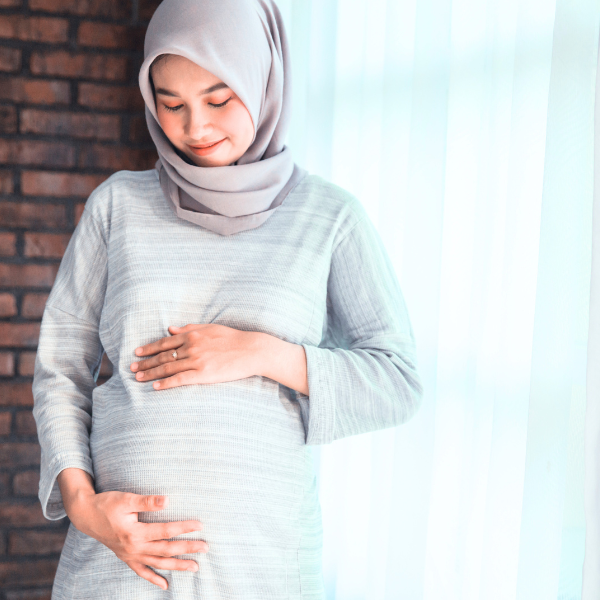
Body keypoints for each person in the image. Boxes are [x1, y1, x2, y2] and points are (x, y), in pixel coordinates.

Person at [31, 0, 424, 597]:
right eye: (171, 103)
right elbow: (61, 364)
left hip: (261, 567)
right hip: (118, 565)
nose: (195, 127)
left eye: (218, 98)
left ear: (263, 79)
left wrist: (262, 353)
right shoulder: (118, 206)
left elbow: (397, 381)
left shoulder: (328, 218)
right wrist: (83, 506)